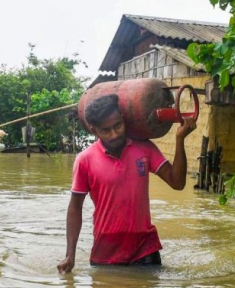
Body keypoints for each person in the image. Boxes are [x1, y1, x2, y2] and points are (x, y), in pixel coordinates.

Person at [57, 94, 196, 273]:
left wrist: (180, 140)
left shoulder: (145, 148)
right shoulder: (85, 160)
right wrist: (70, 254)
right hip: (105, 252)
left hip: (145, 249)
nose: (114, 134)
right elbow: (75, 208)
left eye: (117, 126)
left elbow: (177, 182)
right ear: (94, 131)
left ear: (123, 119)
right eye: (106, 130)